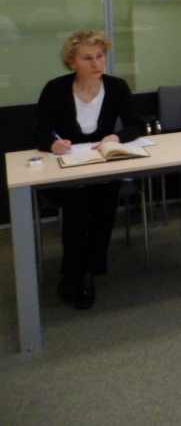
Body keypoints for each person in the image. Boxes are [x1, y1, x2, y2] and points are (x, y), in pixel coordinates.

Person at [36, 30, 141, 309]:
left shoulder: (116, 87)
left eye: (100, 56)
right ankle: (74, 273)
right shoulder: (55, 89)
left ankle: (88, 270)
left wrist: (116, 137)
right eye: (87, 58)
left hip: (103, 165)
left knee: (105, 200)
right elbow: (39, 131)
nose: (97, 64)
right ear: (72, 62)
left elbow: (135, 125)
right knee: (78, 205)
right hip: (67, 169)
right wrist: (52, 143)